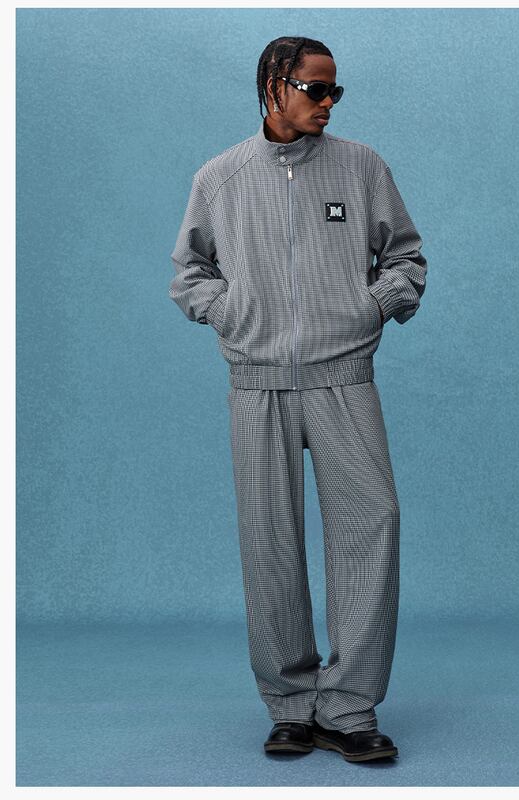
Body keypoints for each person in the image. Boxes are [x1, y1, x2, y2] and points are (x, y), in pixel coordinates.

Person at [169, 35, 427, 763]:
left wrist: (370, 308)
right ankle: (289, 705)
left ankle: (348, 707)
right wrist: (231, 314)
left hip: (344, 379)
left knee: (371, 527)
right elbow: (189, 272)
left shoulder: (361, 166)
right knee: (269, 542)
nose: (328, 102)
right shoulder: (220, 177)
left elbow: (406, 258)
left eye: (335, 89)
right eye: (316, 88)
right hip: (257, 384)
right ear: (274, 86)